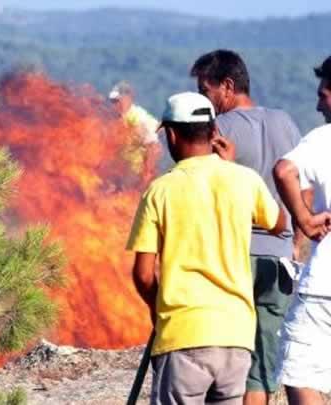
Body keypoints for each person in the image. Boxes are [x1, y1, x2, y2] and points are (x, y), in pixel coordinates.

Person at [127, 91, 287, 405]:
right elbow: (279, 223)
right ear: (214, 133)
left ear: (171, 135)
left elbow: (144, 275)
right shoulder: (244, 179)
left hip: (183, 335)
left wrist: (158, 310)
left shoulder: (160, 190)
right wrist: (231, 169)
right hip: (237, 337)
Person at [190, 49, 302, 405]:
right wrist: (296, 242)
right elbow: (303, 185)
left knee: (225, 356)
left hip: (234, 260)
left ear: (227, 86)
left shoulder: (219, 128)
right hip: (281, 257)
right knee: (263, 358)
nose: (203, 100)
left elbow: (202, 187)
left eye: (205, 92)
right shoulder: (285, 122)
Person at [273, 55, 331, 405]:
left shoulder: (325, 139)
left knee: (298, 372)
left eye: (323, 95)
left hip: (326, 288)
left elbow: (283, 171)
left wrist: (306, 219)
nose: (318, 104)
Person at [109, 81, 161, 181]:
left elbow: (153, 147)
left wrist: (147, 173)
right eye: (113, 101)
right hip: (122, 176)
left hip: (136, 176)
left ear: (128, 98)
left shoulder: (138, 117)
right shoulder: (119, 119)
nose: (115, 104)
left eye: (118, 100)